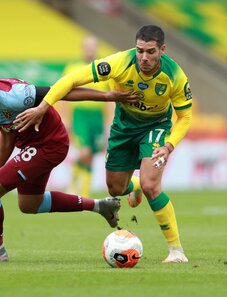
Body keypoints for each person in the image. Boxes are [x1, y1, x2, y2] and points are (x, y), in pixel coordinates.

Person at [14, 25, 193, 263]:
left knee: (152, 185)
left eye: (150, 52)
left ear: (162, 49)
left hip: (155, 127)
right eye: (140, 51)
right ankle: (135, 185)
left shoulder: (175, 75)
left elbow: (185, 116)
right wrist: (43, 107)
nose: (144, 57)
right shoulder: (120, 62)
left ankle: (176, 250)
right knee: (115, 188)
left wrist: (169, 145)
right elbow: (71, 80)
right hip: (123, 127)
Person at [0, 59, 139, 263]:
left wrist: (107, 96)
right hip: (34, 146)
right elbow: (7, 134)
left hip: (50, 143)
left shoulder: (15, 95)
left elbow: (61, 91)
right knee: (30, 204)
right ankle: (100, 206)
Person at [61, 35, 112, 197]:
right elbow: (63, 93)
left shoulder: (104, 70)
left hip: (97, 117)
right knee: (84, 152)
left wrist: (109, 121)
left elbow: (110, 97)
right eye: (87, 46)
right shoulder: (72, 68)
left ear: (97, 48)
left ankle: (84, 192)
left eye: (93, 46)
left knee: (91, 155)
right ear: (83, 48)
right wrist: (65, 117)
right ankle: (75, 185)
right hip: (80, 116)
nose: (90, 49)